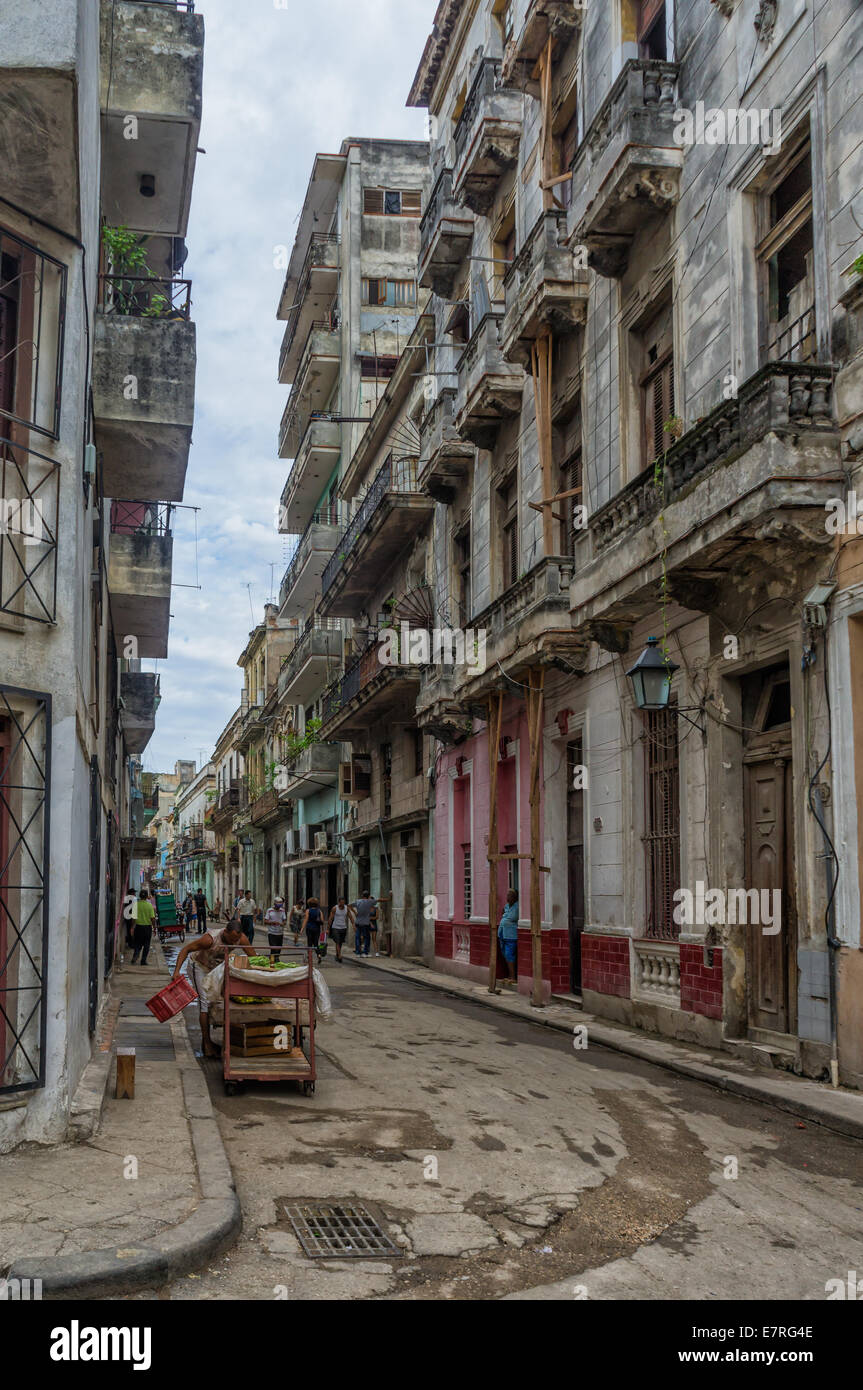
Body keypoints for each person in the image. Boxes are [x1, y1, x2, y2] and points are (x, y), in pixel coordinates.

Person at [172, 917, 253, 1058]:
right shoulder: (210, 939)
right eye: (232, 939)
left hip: (216, 968)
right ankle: (207, 1043)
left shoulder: (241, 939)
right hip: (199, 966)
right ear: (225, 932)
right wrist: (176, 972)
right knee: (204, 1003)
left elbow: (253, 957)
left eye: (237, 940)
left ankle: (226, 1040)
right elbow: (186, 949)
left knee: (220, 999)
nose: (235, 942)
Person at [497, 888, 519, 984]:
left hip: (511, 935)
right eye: (507, 895)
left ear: (515, 897)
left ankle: (513, 977)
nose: (507, 897)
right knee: (505, 954)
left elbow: (513, 918)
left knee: (510, 955)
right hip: (502, 934)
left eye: (510, 895)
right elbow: (503, 914)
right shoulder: (506, 906)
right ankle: (509, 976)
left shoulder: (517, 907)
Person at [131, 889, 155, 965]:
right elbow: (152, 918)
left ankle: (136, 954)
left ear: (140, 896)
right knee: (146, 945)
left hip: (138, 927)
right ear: (147, 896)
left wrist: (132, 927)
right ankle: (143, 960)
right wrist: (154, 928)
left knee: (137, 943)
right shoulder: (149, 905)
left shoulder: (136, 905)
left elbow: (133, 918)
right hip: (147, 928)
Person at [327, 897, 354, 963]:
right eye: (341, 902)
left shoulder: (346, 908)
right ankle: (339, 956)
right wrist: (328, 928)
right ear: (339, 902)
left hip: (343, 927)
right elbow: (330, 918)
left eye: (343, 902)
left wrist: (353, 925)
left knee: (340, 942)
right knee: (338, 942)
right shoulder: (335, 908)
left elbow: (350, 917)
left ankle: (337, 954)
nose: (342, 903)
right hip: (335, 927)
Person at [264, 896, 287, 961]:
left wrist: (283, 923)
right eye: (278, 903)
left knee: (279, 948)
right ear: (274, 903)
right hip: (272, 933)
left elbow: (284, 920)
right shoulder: (269, 910)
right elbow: (265, 921)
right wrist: (272, 922)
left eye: (281, 903)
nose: (280, 904)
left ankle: (273, 959)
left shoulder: (282, 910)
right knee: (273, 948)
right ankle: (274, 960)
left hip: (280, 933)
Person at [353, 891, 375, 957]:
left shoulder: (358, 901)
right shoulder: (369, 902)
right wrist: (389, 898)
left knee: (357, 937)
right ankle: (365, 952)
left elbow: (349, 905)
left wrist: (354, 912)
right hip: (365, 923)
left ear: (362, 896)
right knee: (367, 937)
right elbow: (380, 900)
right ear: (368, 896)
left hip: (358, 922)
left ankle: (358, 952)